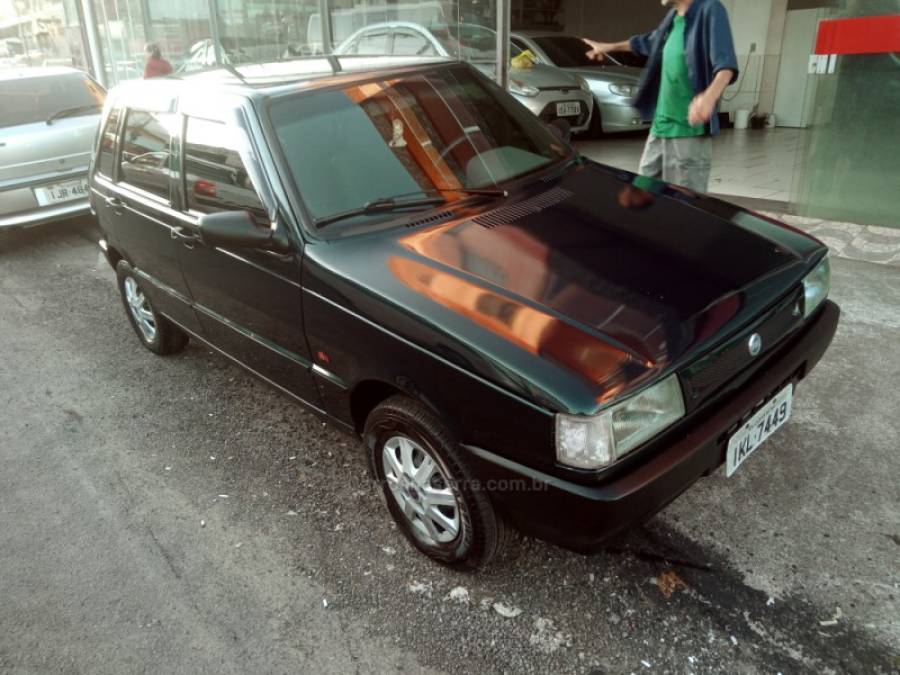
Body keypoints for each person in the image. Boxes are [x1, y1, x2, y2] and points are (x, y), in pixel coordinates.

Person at [583, 0, 738, 193]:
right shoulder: (672, 18)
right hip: (660, 128)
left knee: (685, 208)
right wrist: (607, 47)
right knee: (642, 196)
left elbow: (726, 65)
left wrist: (709, 97)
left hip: (688, 132)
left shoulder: (710, 10)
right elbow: (648, 42)